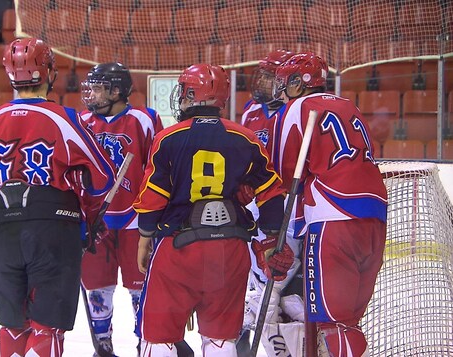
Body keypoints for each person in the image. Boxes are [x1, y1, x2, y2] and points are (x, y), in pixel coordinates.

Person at [0, 37, 115, 357]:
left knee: (13, 324)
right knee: (47, 326)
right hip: (53, 229)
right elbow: (102, 179)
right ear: (50, 72)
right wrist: (86, 213)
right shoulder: (64, 119)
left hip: (4, 230)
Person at [132, 63, 294, 356]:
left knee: (159, 338)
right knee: (221, 339)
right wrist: (272, 238)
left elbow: (154, 194)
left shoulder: (168, 138)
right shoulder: (246, 138)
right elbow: (271, 192)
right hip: (230, 250)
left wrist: (144, 236)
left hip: (179, 249)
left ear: (192, 94)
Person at [272, 52, 388, 356]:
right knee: (348, 322)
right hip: (375, 215)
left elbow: (284, 173)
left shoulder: (297, 108)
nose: (282, 89)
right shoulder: (350, 106)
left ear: (299, 83)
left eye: (286, 82)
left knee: (334, 323)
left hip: (333, 218)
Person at [79, 62, 164, 356]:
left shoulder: (145, 119)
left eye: (99, 88)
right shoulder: (82, 121)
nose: (91, 95)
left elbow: (158, 168)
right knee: (97, 286)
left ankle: (145, 339)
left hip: (134, 220)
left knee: (140, 286)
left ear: (117, 91)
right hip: (95, 221)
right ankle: (102, 342)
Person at [238, 49, 307, 357]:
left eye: (269, 75)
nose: (263, 81)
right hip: (257, 207)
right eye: (262, 75)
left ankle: (286, 345)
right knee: (259, 281)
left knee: (283, 288)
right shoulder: (250, 111)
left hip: (291, 208)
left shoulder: (298, 110)